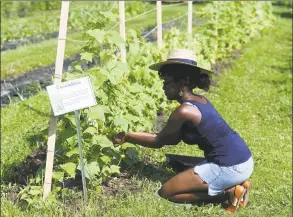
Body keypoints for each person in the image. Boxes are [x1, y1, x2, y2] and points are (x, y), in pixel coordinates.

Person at [112, 49, 253, 212]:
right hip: (243, 159)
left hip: (230, 167)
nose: (163, 86)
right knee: (178, 164)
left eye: (167, 82)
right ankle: (233, 185)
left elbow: (159, 141)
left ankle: (229, 192)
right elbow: (171, 139)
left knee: (167, 192)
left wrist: (127, 136)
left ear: (182, 82)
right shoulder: (200, 100)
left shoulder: (184, 111)